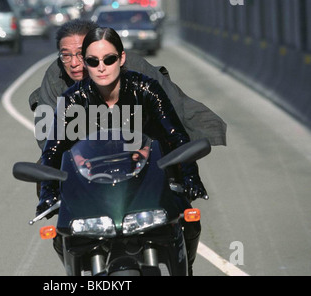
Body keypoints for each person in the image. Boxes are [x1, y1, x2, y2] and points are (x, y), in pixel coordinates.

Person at [37, 27, 207, 275]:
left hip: (151, 175)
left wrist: (191, 177)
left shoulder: (147, 89)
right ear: (86, 63)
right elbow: (53, 151)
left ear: (121, 58)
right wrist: (47, 193)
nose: (102, 67)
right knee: (64, 235)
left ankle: (185, 267)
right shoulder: (73, 99)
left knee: (188, 221)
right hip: (96, 181)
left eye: (109, 59)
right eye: (93, 61)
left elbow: (176, 136)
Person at [29, 19, 227, 150]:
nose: (73, 63)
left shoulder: (134, 67)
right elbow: (47, 134)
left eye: (82, 55)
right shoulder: (56, 75)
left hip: (144, 141)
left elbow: (171, 111)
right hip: (86, 152)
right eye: (66, 55)